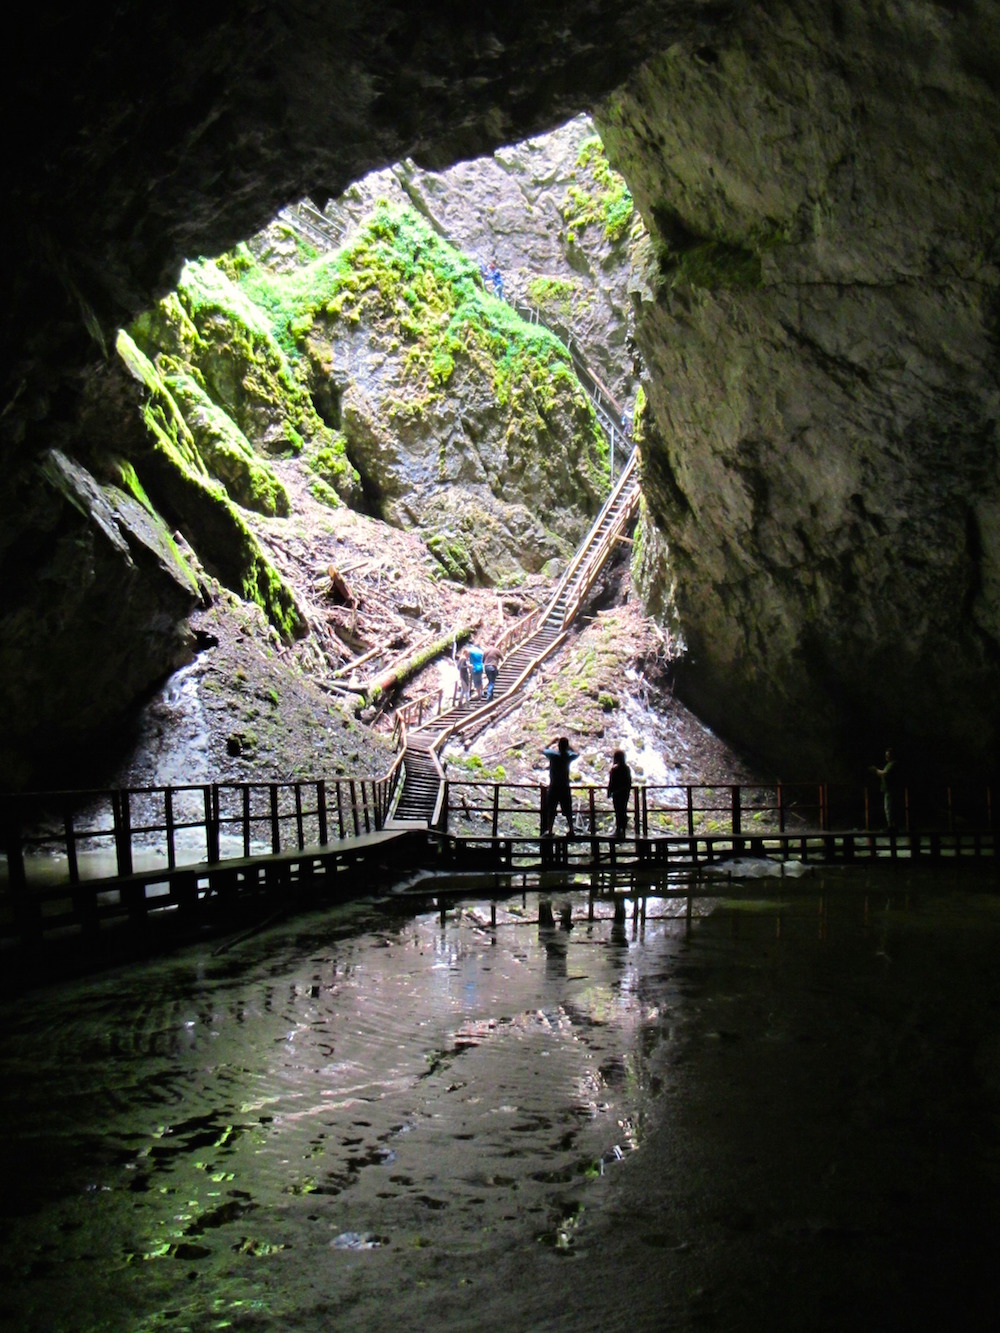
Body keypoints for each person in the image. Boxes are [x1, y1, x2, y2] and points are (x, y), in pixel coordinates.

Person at [542, 736, 578, 835]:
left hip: (554, 786)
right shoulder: (568, 756)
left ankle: (549, 830)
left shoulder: (553, 755)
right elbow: (577, 753)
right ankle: (571, 830)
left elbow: (543, 750)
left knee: (551, 808)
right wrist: (570, 747)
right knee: (568, 809)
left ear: (558, 746)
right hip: (565, 786)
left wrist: (551, 742)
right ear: (567, 746)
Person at [869, 747, 899, 829]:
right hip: (888, 789)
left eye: (888, 755)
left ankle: (891, 826)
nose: (886, 757)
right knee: (889, 807)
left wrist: (875, 770)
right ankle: (891, 825)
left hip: (890, 789)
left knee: (889, 807)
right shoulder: (889, 764)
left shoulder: (893, 764)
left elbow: (885, 773)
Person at [607, 748, 632, 838]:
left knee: (618, 811)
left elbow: (611, 782)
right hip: (624, 793)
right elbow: (629, 782)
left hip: (617, 794)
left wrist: (609, 792)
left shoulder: (615, 769)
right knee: (623, 811)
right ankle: (623, 831)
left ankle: (618, 830)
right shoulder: (627, 769)